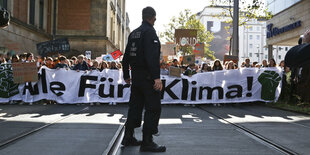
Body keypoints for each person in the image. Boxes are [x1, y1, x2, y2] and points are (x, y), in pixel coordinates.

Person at [121, 6, 166, 152]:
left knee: (135, 106)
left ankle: (128, 136)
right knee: (153, 107)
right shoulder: (150, 32)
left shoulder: (134, 33)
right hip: (147, 77)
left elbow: (126, 56)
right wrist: (156, 78)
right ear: (152, 18)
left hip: (136, 77)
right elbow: (151, 57)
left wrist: (126, 75)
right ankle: (147, 141)